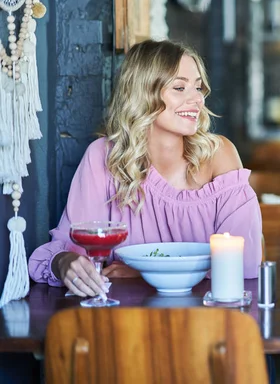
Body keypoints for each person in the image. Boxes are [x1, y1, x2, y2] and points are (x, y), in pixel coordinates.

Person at [28, 40, 262, 298]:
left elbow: (245, 263)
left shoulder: (220, 155)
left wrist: (144, 272)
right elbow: (71, 247)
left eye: (198, 88)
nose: (196, 99)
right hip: (129, 324)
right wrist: (64, 263)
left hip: (209, 322)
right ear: (143, 93)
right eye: (180, 87)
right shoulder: (105, 157)